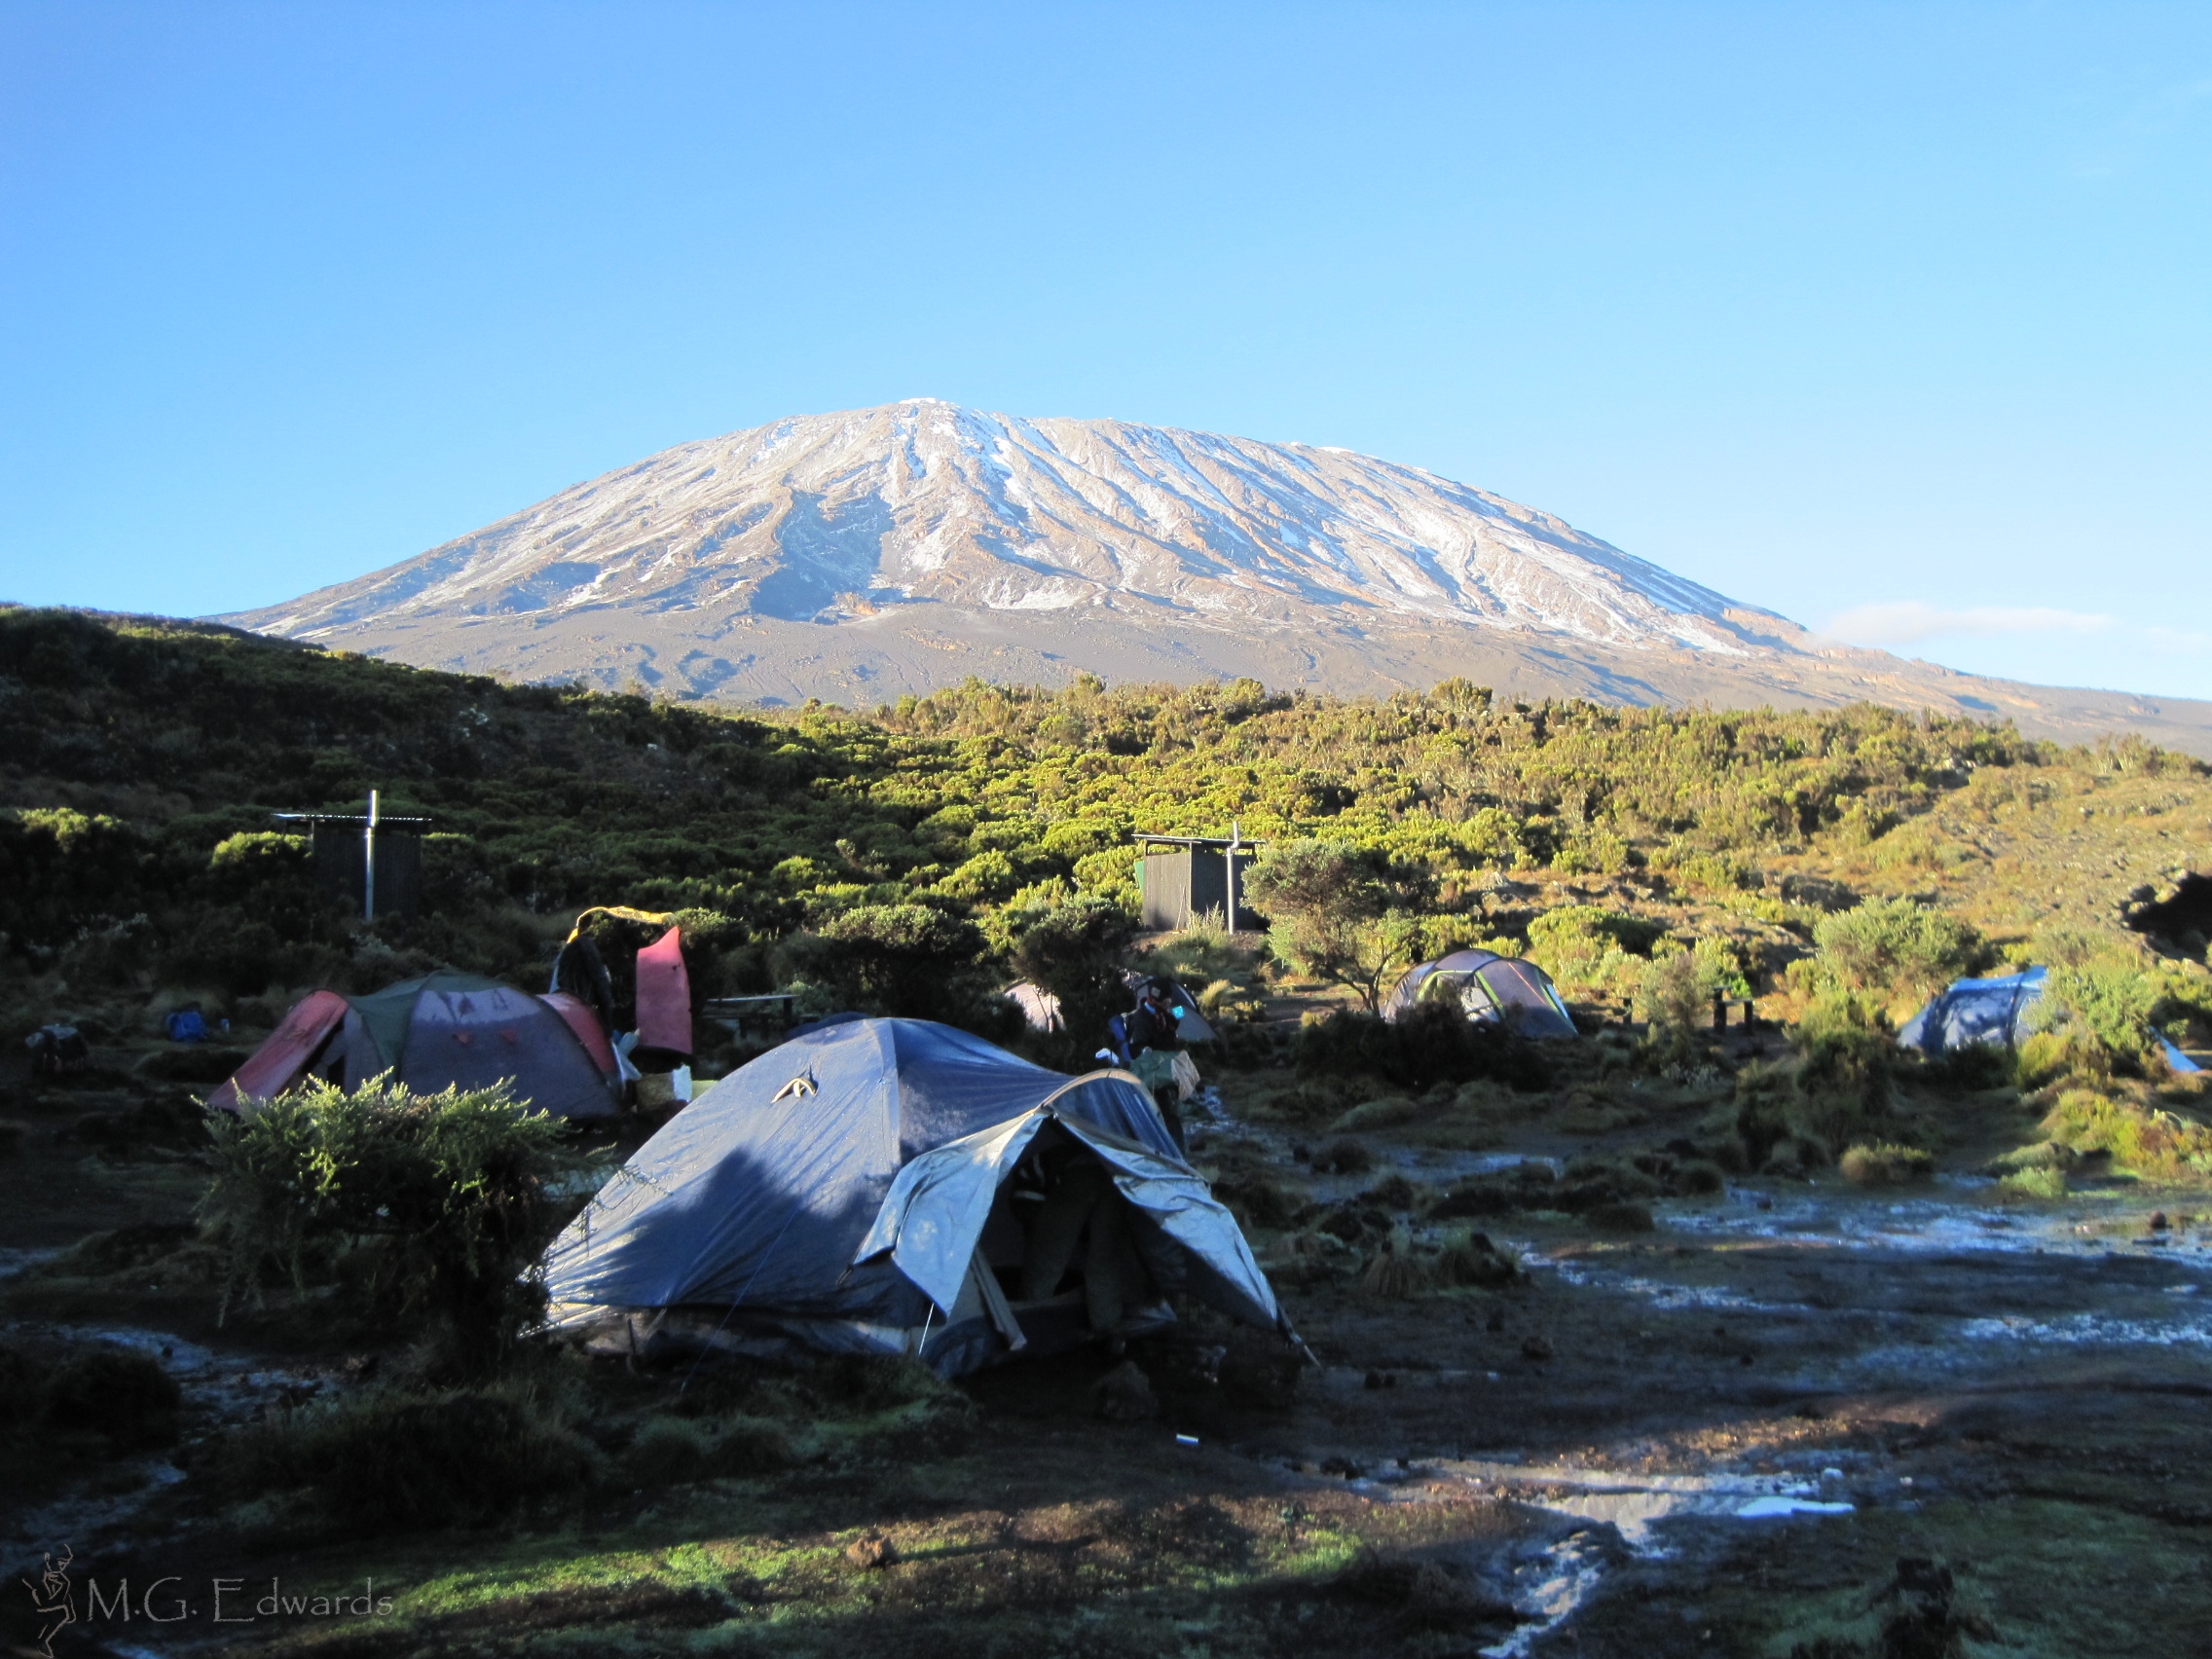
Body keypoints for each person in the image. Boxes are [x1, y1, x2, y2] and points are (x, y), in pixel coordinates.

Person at [1123, 977, 1189, 1153]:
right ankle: (1173, 1154)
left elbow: (1178, 1020)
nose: (1170, 1002)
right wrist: (1146, 1051)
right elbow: (1137, 1048)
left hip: (1168, 1072)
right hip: (1152, 1077)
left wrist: (1181, 1008)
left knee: (1172, 1114)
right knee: (1164, 1115)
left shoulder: (1165, 1014)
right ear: (1158, 999)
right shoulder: (1142, 1019)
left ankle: (1177, 1152)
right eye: (1168, 999)